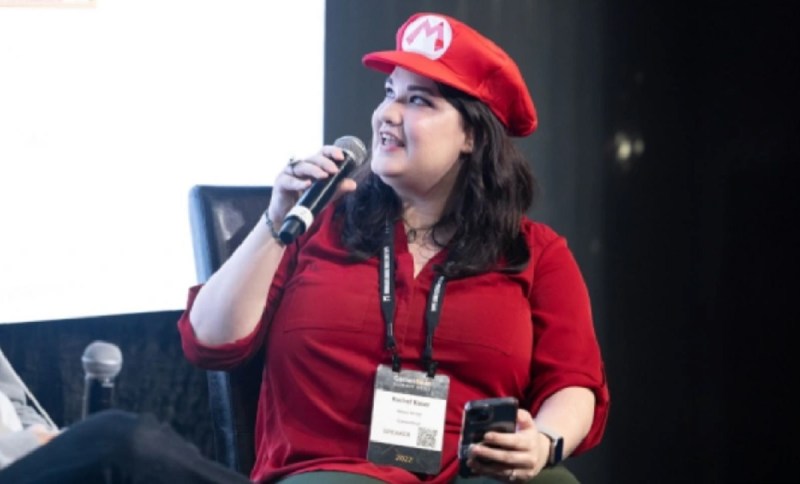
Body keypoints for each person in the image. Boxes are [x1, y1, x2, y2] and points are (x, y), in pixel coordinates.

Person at [179, 11, 609, 484]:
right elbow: (209, 340)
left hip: (470, 472)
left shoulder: (534, 251)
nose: (386, 114)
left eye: (418, 100)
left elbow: (574, 382)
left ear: (472, 134)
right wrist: (277, 218)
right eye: (389, 93)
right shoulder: (315, 222)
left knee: (553, 480)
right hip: (332, 471)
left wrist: (543, 441)